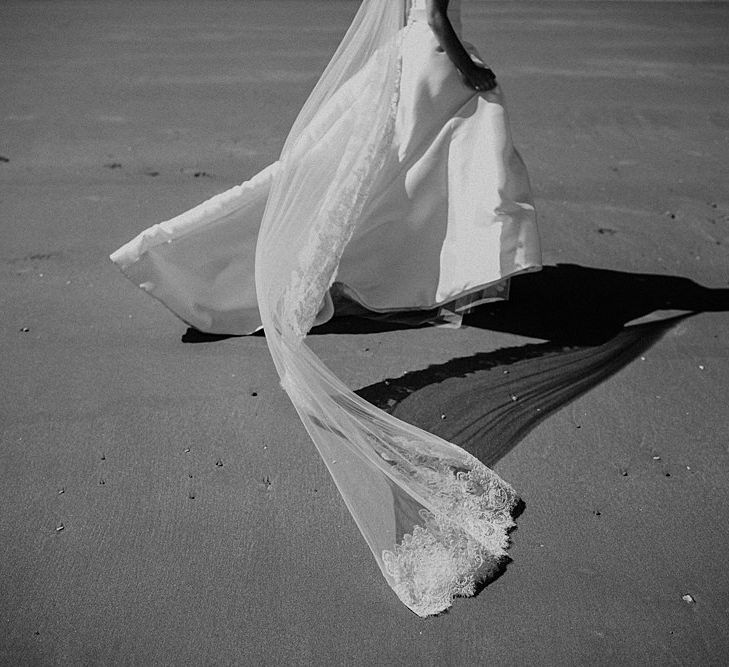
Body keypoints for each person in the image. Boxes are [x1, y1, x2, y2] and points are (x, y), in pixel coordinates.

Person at [111, 0, 541, 616]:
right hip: (429, 56)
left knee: (358, 170)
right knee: (430, 159)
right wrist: (469, 70)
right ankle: (423, 268)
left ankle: (197, 258)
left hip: (405, 57)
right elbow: (438, 13)